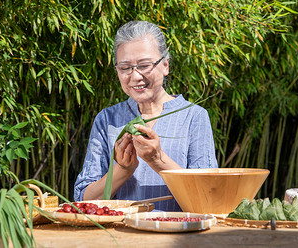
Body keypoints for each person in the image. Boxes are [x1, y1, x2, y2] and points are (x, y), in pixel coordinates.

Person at [74, 21, 218, 211]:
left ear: (165, 65)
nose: (135, 77)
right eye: (125, 68)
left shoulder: (194, 117)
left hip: (175, 236)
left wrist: (157, 159)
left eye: (144, 65)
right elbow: (82, 200)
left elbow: (209, 196)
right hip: (119, 237)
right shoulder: (107, 120)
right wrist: (123, 169)